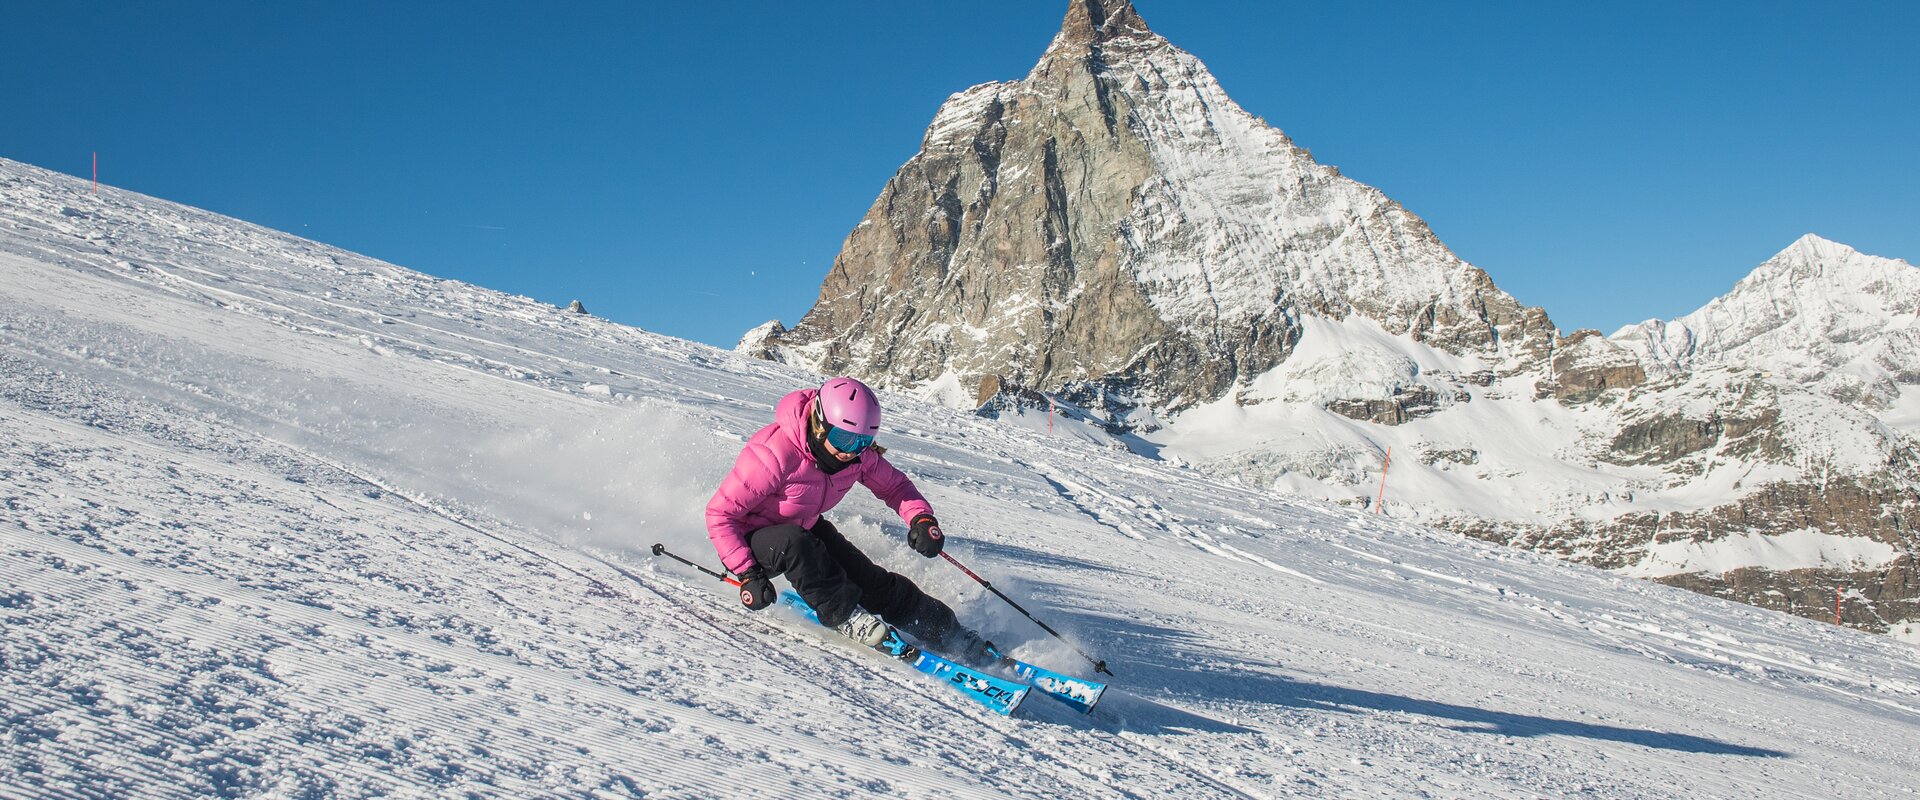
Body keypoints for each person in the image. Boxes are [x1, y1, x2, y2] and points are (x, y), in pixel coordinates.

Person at [705, 376, 998, 667]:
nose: (851, 451)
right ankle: (845, 616)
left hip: (803, 528)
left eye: (863, 442)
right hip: (751, 541)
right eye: (844, 439)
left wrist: (921, 518)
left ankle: (947, 632)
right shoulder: (772, 455)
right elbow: (720, 515)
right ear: (819, 424)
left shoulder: (857, 458)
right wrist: (749, 574)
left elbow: (895, 486)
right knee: (796, 543)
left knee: (872, 582)